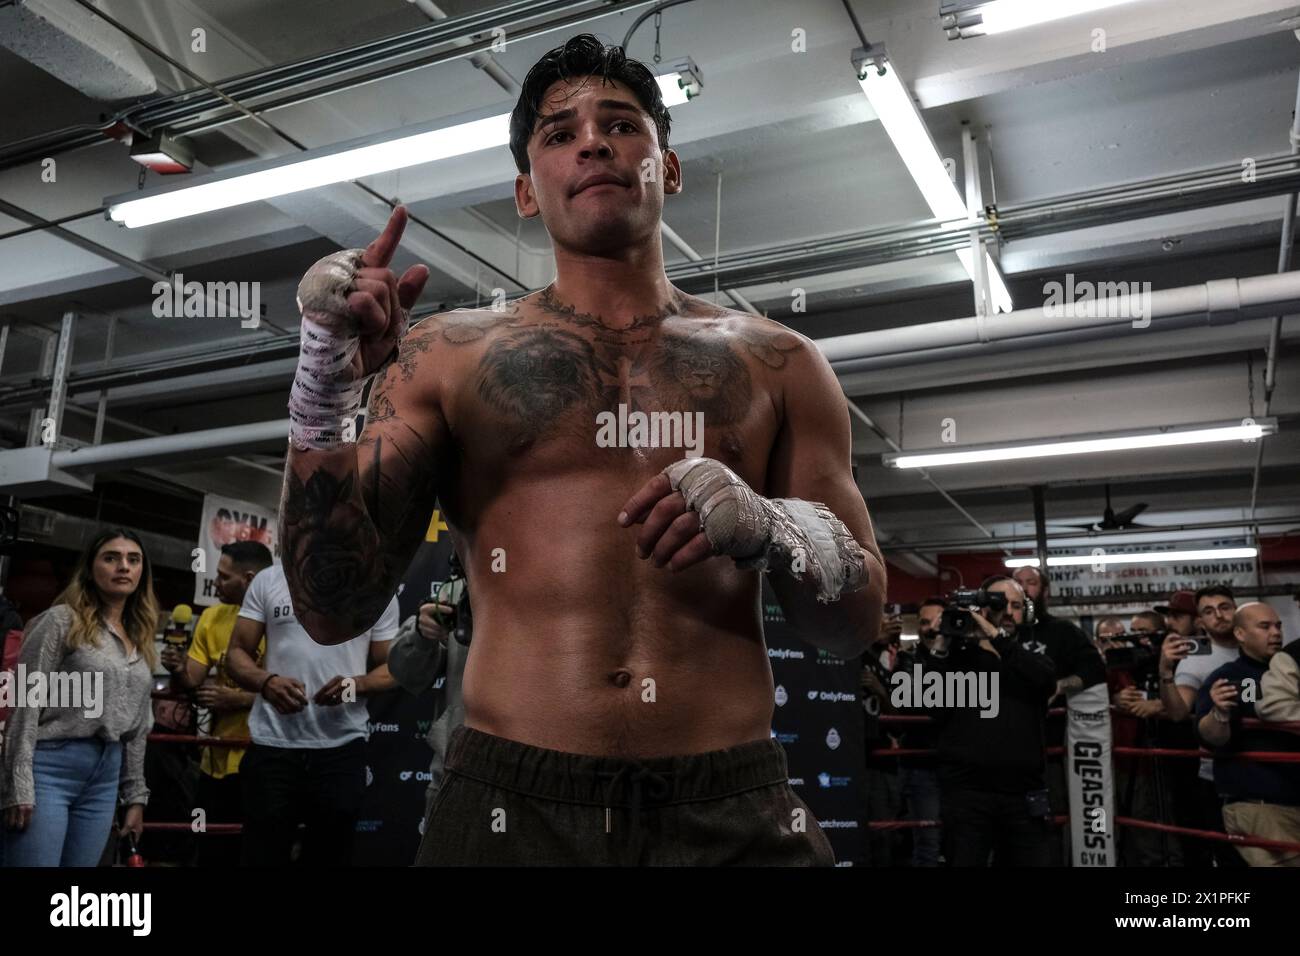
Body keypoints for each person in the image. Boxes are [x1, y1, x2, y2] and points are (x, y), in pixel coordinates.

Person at [278, 33, 885, 866]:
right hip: (509, 804)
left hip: (729, 804)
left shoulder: (780, 361)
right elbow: (330, 606)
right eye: (559, 134)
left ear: (667, 168)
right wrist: (322, 382)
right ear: (528, 192)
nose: (593, 141)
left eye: (623, 125)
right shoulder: (448, 354)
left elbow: (852, 627)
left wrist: (777, 527)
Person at [0, 528, 157, 867]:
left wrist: (135, 797)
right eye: (111, 558)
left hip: (105, 775)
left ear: (142, 571)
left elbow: (137, 729)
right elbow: (24, 706)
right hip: (51, 766)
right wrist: (18, 784)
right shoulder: (59, 621)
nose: (123, 567)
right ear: (90, 568)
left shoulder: (141, 636)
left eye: (133, 559)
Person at [225, 563, 398, 866]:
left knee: (329, 855)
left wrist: (355, 685)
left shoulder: (375, 586)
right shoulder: (270, 579)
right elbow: (237, 652)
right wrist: (266, 682)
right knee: (261, 855)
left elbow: (392, 668)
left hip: (341, 748)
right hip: (273, 747)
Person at [929, 577, 1058, 866]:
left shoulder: (1032, 657)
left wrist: (995, 635)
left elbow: (1045, 679)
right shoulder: (958, 660)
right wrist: (942, 639)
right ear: (983, 608)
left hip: (1023, 796)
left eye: (1015, 605)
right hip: (967, 796)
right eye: (999, 604)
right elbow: (928, 703)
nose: (1008, 612)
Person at [160, 541, 273, 866]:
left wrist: (237, 698)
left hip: (264, 755)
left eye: (224, 577)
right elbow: (193, 678)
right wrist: (178, 667)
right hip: (216, 757)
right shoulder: (212, 616)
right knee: (211, 849)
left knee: (253, 848)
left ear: (249, 579)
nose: (217, 583)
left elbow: (300, 691)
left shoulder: (284, 618)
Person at [1195, 603, 1300, 866]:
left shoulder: (1288, 671)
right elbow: (1211, 737)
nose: (1275, 633)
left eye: (1278, 626)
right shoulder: (1238, 678)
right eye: (1264, 627)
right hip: (1262, 805)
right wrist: (1219, 713)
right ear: (1240, 634)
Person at [1158, 584, 1242, 867]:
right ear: (1201, 621)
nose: (1218, 615)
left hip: (1269, 765)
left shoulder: (1259, 646)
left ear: (1236, 609)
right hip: (1218, 773)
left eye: (1224, 607)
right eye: (1209, 611)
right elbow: (1179, 711)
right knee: (1229, 854)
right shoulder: (1196, 659)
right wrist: (1166, 671)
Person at [893, 597, 946, 866]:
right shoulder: (907, 657)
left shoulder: (964, 656)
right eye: (925, 622)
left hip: (957, 762)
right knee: (928, 841)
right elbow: (910, 703)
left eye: (937, 621)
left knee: (964, 838)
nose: (931, 628)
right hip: (922, 763)